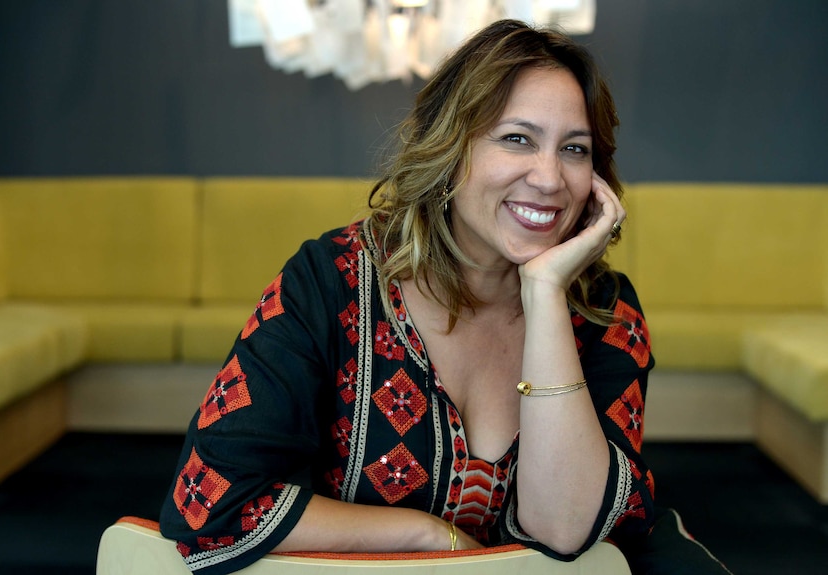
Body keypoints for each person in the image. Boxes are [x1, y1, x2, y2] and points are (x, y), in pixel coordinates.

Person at [160, 19, 731, 575]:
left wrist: (545, 290)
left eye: (575, 149)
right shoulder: (330, 282)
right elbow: (212, 503)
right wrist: (426, 535)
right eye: (517, 139)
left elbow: (564, 529)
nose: (551, 178)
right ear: (450, 150)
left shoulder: (603, 310)